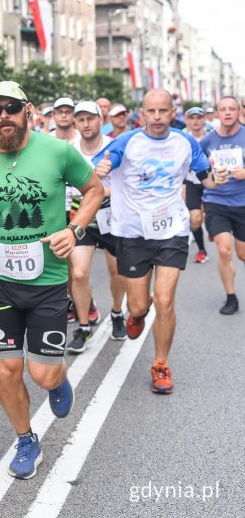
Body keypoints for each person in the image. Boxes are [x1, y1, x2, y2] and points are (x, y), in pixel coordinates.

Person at [0, 81, 104, 479]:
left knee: (43, 373)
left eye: (11, 108)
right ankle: (25, 438)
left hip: (48, 281)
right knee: (6, 369)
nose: (4, 116)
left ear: (28, 111)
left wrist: (74, 230)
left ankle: (56, 379)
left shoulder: (57, 151)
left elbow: (94, 190)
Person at [95, 89, 228, 394]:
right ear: (141, 114)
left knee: (165, 300)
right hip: (133, 233)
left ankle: (160, 364)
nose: (157, 117)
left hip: (172, 230)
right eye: (151, 112)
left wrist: (216, 177)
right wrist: (101, 170)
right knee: (139, 305)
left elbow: (205, 177)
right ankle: (138, 314)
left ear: (172, 113)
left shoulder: (185, 142)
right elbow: (103, 168)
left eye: (163, 111)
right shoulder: (126, 142)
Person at [65, 101, 127, 352]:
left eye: (90, 118)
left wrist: (99, 189)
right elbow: (64, 186)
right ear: (75, 123)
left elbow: (125, 185)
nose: (86, 124)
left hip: (111, 215)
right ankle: (84, 326)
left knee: (117, 273)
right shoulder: (68, 150)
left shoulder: (115, 146)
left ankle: (116, 313)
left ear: (101, 119)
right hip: (81, 217)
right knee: (78, 274)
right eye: (81, 119)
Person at [199, 96, 245, 314]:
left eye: (232, 109)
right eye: (223, 109)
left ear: (238, 112)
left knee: (242, 254)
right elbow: (196, 171)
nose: (227, 113)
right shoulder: (207, 141)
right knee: (224, 251)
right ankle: (231, 296)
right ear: (216, 113)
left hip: (242, 202)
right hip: (216, 202)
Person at [182, 107, 210, 264]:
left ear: (204, 118)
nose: (195, 121)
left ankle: (213, 229)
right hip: (192, 182)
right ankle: (201, 250)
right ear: (187, 120)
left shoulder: (212, 135)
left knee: (211, 217)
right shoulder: (182, 138)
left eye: (198, 117)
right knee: (195, 219)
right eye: (192, 118)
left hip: (211, 182)